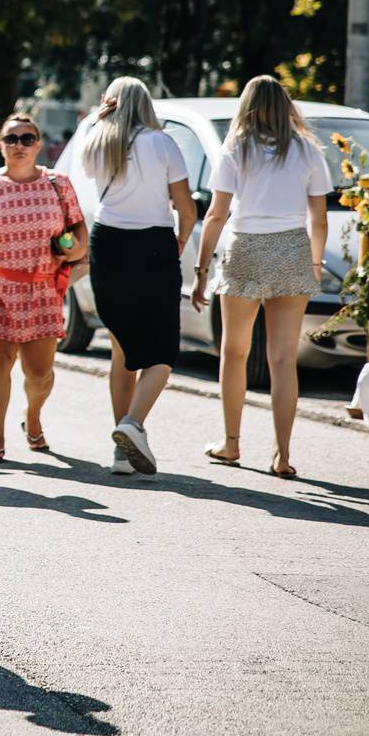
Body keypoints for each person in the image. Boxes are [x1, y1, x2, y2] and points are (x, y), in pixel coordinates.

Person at [190, 76, 331, 479]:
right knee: (284, 359)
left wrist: (202, 271)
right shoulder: (308, 150)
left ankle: (231, 443)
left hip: (246, 247)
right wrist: (315, 266)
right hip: (291, 248)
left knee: (234, 352)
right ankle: (282, 455)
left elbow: (216, 214)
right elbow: (318, 219)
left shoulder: (236, 148)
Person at [0, 112, 87, 463]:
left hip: (42, 287)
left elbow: (80, 234)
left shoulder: (59, 184)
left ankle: (33, 417)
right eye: (11, 138)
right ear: (1, 145)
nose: (19, 145)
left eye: (27, 138)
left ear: (38, 144)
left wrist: (75, 249)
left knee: (39, 373)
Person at [80, 78, 196, 476]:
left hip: (108, 245)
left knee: (121, 349)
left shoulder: (96, 140)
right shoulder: (162, 143)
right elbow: (186, 206)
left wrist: (100, 115)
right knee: (162, 352)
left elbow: (91, 145)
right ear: (147, 103)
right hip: (153, 245)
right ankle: (133, 424)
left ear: (110, 104)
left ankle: (121, 449)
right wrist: (180, 240)